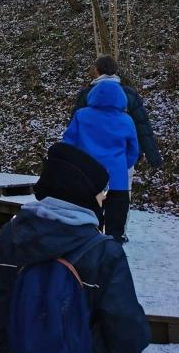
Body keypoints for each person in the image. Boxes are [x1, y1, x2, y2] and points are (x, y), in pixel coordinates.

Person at [0, 142, 149, 353]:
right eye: (101, 191)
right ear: (84, 193)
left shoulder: (12, 234)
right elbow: (128, 334)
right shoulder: (105, 252)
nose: (104, 197)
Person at [63, 80, 140, 242]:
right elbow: (133, 151)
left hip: (86, 179)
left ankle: (86, 253)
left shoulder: (82, 116)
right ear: (121, 98)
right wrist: (121, 165)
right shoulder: (126, 120)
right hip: (117, 182)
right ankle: (112, 254)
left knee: (86, 222)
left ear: (94, 96)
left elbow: (68, 144)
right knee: (115, 228)